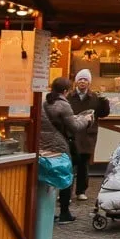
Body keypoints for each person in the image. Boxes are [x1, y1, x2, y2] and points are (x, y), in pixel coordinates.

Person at [42, 77, 93, 223]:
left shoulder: (45, 102)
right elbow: (74, 127)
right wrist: (86, 119)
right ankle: (64, 213)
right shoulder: (63, 105)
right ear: (65, 91)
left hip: (44, 144)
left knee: (47, 177)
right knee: (65, 176)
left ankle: (47, 212)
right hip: (60, 144)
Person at [66, 69, 110, 202]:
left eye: (85, 80)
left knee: (83, 164)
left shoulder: (95, 97)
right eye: (80, 79)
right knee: (69, 164)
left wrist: (104, 102)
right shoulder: (69, 97)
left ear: (89, 82)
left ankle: (81, 191)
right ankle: (66, 192)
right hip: (71, 134)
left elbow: (103, 114)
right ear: (76, 82)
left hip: (87, 135)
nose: (82, 82)